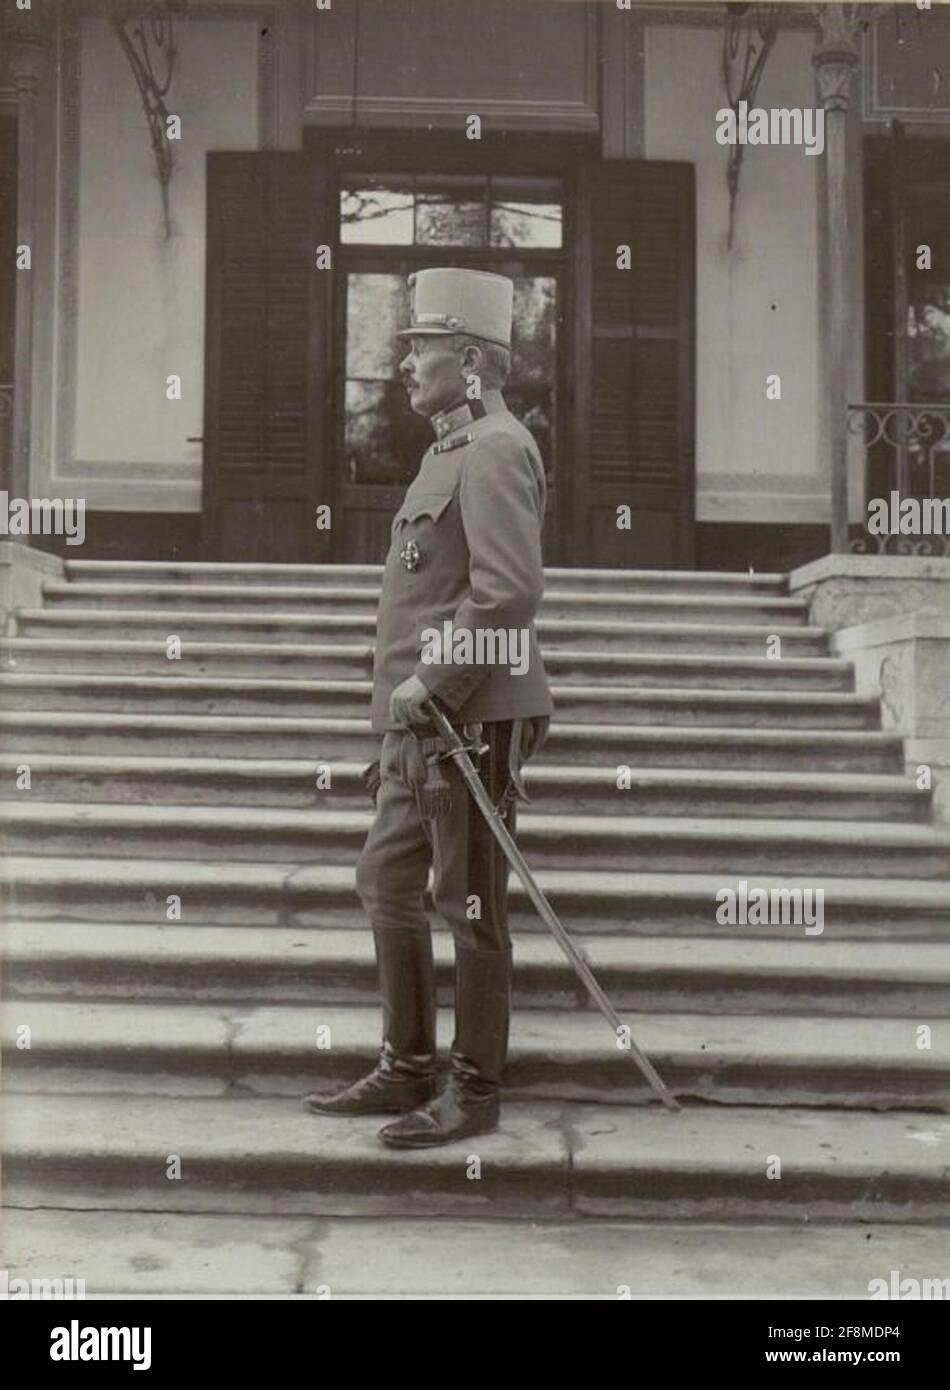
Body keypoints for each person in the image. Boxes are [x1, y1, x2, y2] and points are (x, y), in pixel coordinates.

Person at [303, 267, 553, 1148]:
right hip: (421, 725)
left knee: (470, 904)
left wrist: (429, 683)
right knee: (386, 880)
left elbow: (507, 596)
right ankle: (408, 1064)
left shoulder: (496, 447)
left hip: (468, 718)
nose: (405, 363)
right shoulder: (446, 451)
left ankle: (474, 1089)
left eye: (424, 348)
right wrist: (400, 709)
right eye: (408, 347)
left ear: (475, 364)